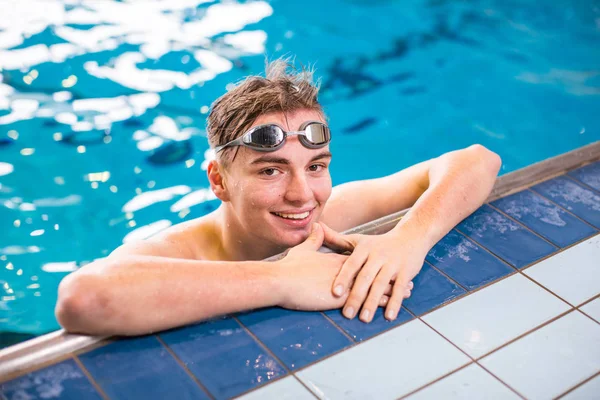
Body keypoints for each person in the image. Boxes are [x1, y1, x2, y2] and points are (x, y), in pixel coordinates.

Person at [55, 59, 501, 336]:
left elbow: (478, 160)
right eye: (271, 169)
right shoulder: (178, 253)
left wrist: (409, 240)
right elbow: (82, 299)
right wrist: (281, 281)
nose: (302, 195)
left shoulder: (335, 210)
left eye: (316, 166)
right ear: (219, 180)